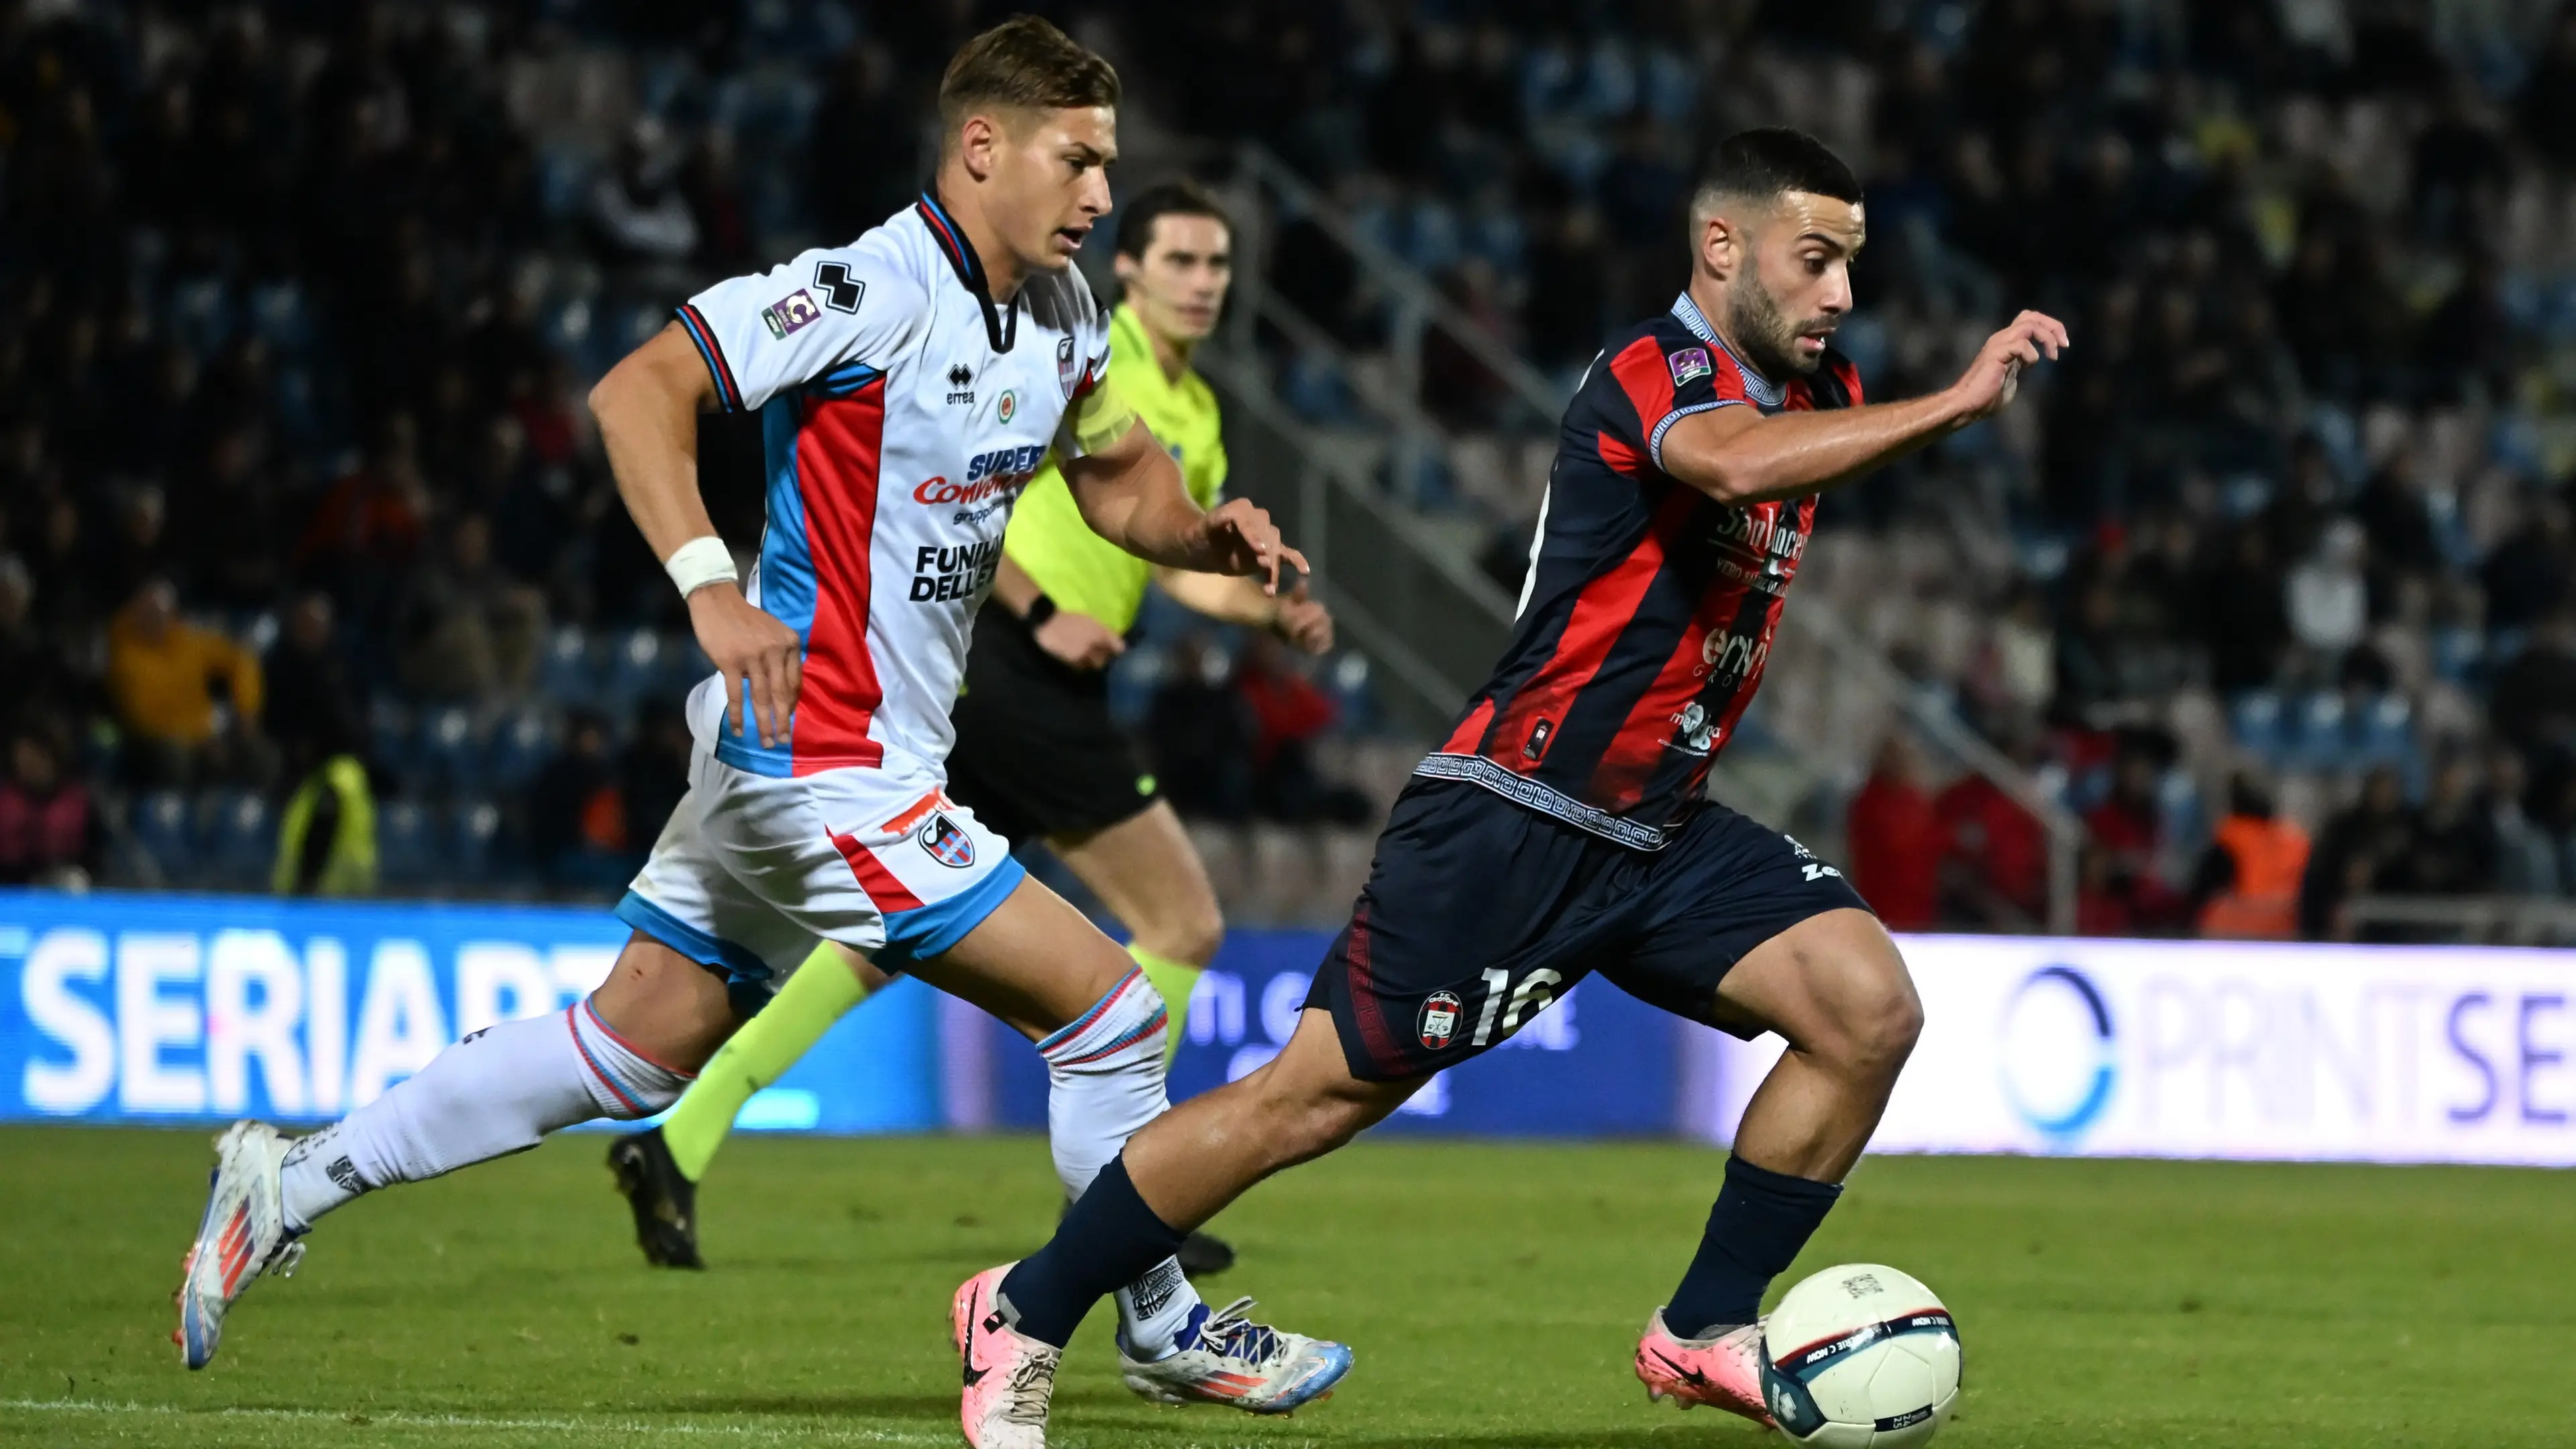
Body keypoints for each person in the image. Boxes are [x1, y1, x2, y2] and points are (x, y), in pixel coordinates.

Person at [172, 17, 1350, 1423]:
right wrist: (708, 586)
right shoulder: (863, 288)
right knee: (1105, 1012)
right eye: (1078, 160)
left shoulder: (1066, 312)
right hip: (823, 759)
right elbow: (638, 390)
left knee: (635, 1041)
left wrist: (1201, 537)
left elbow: (1117, 476)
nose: (1102, 195)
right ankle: (1155, 1318)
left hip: (822, 757)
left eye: (1109, 164)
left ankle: (289, 1178)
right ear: (983, 147)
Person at [950, 127, 2068, 1447]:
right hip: (1515, 812)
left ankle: (1704, 1326)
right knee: (1301, 1105)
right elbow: (1727, 465)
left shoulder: (1821, 400)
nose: (1840, 296)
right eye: (1815, 261)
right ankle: (1023, 1308)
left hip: (1658, 826)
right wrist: (1954, 401)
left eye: (1850, 269)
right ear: (1723, 247)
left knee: (1866, 1007)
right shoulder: (1650, 374)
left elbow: (1782, 461)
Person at [605, 180, 1333, 1283]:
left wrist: (1262, 601)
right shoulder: (1089, 341)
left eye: (1219, 265)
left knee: (888, 929)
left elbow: (1165, 560)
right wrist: (1045, 611)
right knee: (1179, 922)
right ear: (1130, 272)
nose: (1202, 284)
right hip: (1014, 666)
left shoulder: (1194, 409)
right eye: (1180, 261)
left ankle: (683, 1134)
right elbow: (959, 501)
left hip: (1028, 683)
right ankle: (1137, 1192)